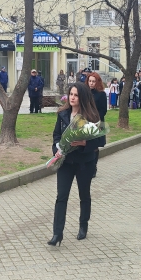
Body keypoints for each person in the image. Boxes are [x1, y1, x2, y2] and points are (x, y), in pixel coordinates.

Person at [48, 83, 105, 246]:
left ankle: (83, 226)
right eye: (71, 94)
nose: (72, 98)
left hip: (84, 162)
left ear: (83, 97)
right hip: (65, 162)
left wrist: (84, 143)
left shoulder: (92, 116)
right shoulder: (63, 114)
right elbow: (56, 135)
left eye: (76, 95)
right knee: (61, 197)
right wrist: (57, 150)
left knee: (84, 195)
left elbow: (101, 140)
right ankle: (57, 233)